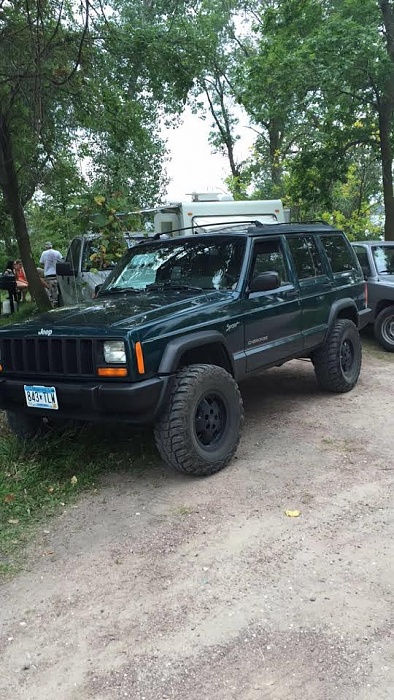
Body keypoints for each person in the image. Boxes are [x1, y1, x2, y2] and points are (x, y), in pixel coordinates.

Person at [39, 241, 62, 307]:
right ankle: (59, 301)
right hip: (57, 274)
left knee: (51, 290)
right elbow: (61, 261)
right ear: (51, 246)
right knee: (58, 289)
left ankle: (54, 303)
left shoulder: (44, 253)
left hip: (48, 275)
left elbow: (41, 263)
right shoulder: (57, 252)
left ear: (46, 247)